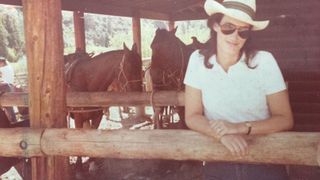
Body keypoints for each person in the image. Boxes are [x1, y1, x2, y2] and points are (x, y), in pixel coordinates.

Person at [184, 0, 293, 179]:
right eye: (229, 27)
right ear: (215, 25)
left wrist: (240, 128)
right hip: (218, 160)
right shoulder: (197, 60)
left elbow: (285, 119)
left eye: (243, 31)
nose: (235, 36)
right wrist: (222, 136)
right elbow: (192, 115)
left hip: (264, 161)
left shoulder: (264, 61)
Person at [0, 56, 17, 123]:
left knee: (8, 106)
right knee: (9, 106)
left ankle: (12, 121)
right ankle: (12, 120)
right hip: (10, 86)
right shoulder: (9, 67)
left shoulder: (3, 68)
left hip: (6, 87)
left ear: (2, 62)